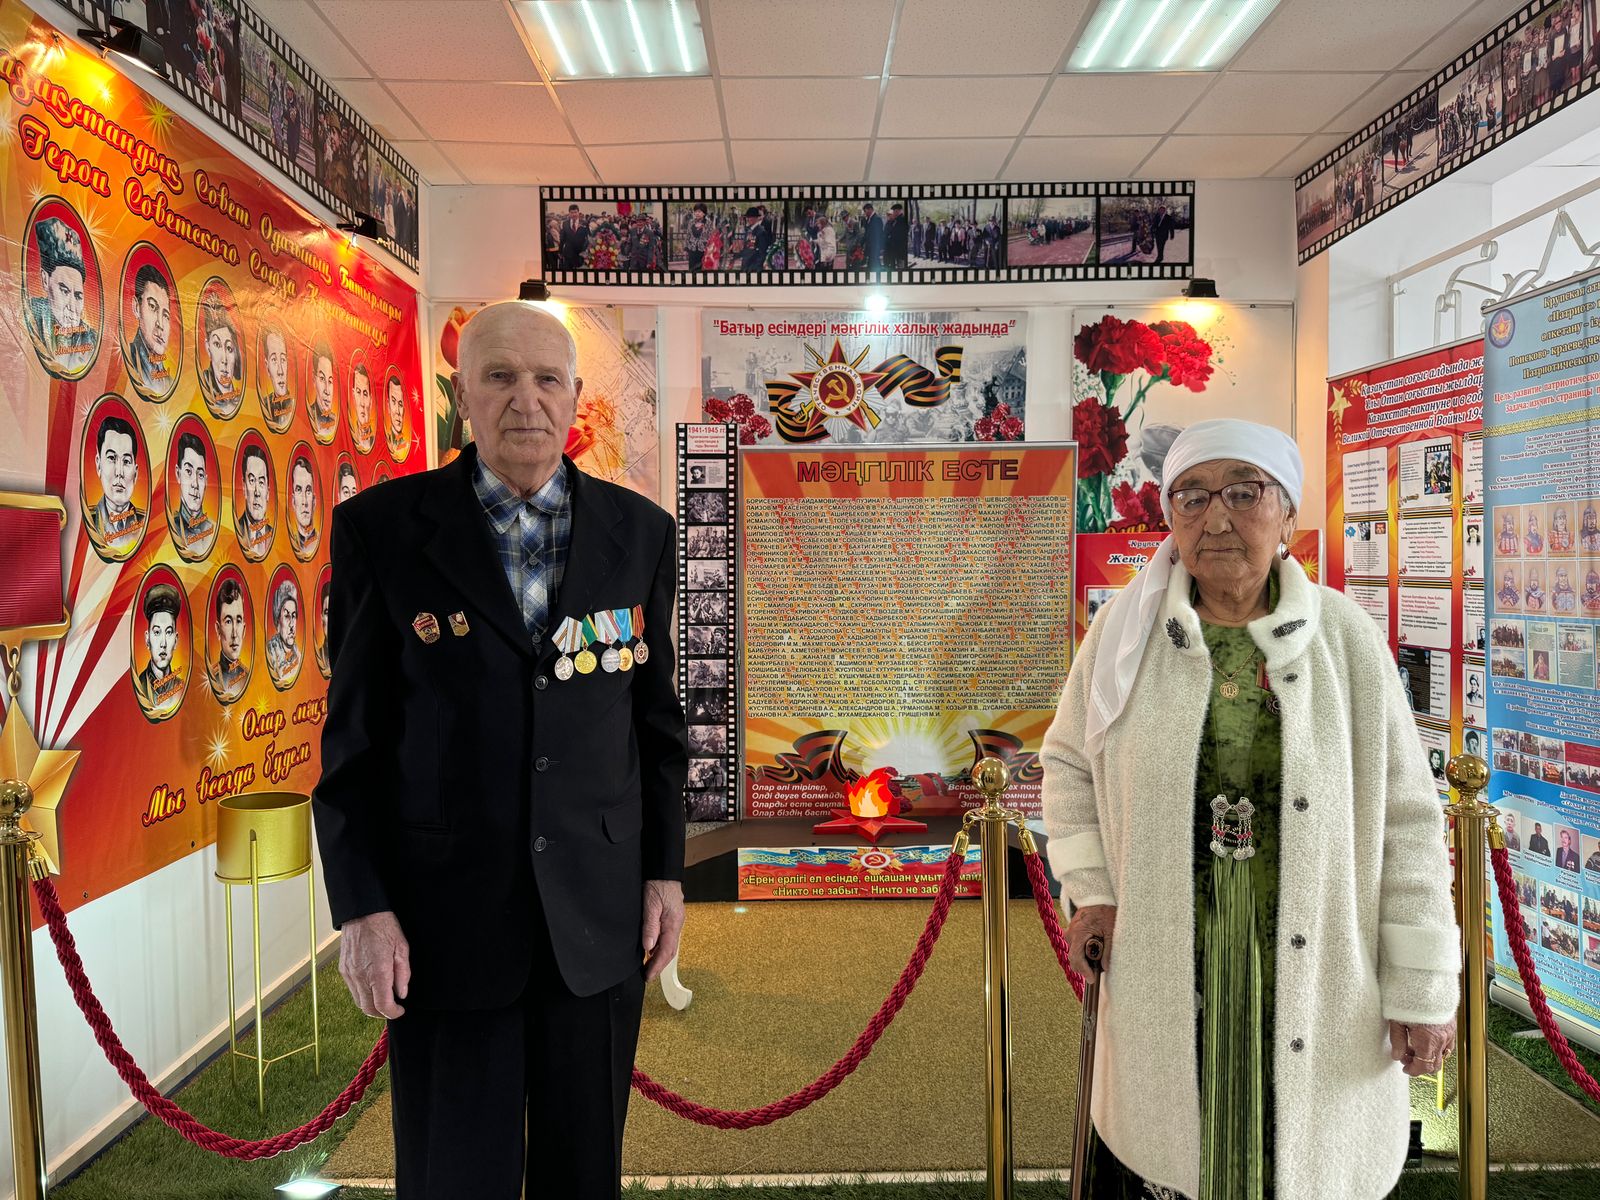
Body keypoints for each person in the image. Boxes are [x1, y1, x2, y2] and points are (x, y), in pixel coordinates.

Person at [313, 301, 688, 1199]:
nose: (527, 399)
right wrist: (363, 909)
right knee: (452, 1179)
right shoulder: (383, 531)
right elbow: (353, 744)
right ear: (462, 395)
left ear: (576, 396)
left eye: (547, 378)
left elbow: (656, 727)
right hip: (444, 930)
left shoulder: (640, 535)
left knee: (583, 1178)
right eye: (500, 377)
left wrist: (665, 874)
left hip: (595, 927)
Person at [1042, 418, 1457, 1200]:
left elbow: (1409, 819)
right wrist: (1091, 889)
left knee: (1301, 1165)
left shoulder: (1346, 640)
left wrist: (1423, 987)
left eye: (1243, 492)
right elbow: (1066, 765)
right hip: (1172, 966)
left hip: (1318, 976)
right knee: (1175, 1157)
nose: (1216, 518)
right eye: (1192, 496)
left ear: (1288, 513)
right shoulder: (1125, 637)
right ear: (1171, 518)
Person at [27, 215, 98, 375]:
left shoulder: (91, 338)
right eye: (64, 291)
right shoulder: (29, 316)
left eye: (78, 296)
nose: (72, 307)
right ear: (45, 280)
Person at [85, 414, 145, 559]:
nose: (119, 472)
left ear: (136, 473)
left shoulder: (144, 522)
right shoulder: (89, 522)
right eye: (112, 458)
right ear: (98, 465)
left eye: (126, 461)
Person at [133, 582, 185, 718]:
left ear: (176, 640)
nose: (163, 643)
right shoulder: (139, 687)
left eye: (168, 632)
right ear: (147, 639)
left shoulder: (181, 687)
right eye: (157, 632)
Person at [126, 263, 174, 396]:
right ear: (136, 307)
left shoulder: (169, 383)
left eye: (165, 315)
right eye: (152, 306)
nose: (160, 324)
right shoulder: (127, 361)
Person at [170, 431, 215, 555]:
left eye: (200, 475)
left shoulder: (213, 529)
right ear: (178, 474)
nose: (195, 484)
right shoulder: (172, 527)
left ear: (206, 481)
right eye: (188, 471)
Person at [200, 295, 243, 418]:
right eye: (217, 345)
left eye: (229, 348)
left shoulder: (239, 399)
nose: (224, 360)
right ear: (208, 348)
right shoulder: (202, 391)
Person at [208, 576, 249, 703]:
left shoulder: (248, 674)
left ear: (244, 629)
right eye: (228, 621)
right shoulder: (212, 678)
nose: (234, 633)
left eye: (238, 620)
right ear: (218, 629)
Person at [236, 445, 275, 561]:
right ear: (244, 487)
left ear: (268, 492)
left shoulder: (274, 535)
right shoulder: (236, 532)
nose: (257, 492)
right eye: (252, 481)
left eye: (261, 482)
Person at [265, 577, 301, 688]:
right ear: (277, 621)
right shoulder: (271, 652)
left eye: (294, 616)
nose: (292, 624)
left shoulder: (297, 652)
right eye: (287, 616)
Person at [262, 326, 295, 431]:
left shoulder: (295, 405)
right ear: (267, 366)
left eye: (283, 359)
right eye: (274, 360)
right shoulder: (263, 407)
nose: (280, 371)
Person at [288, 454, 320, 560]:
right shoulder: (289, 545)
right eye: (298, 490)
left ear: (314, 501)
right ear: (293, 501)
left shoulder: (321, 541)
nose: (304, 501)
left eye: (308, 490)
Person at [310, 347, 338, 443]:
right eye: (322, 378)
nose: (327, 391)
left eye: (330, 381)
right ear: (314, 379)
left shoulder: (335, 421)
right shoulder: (309, 417)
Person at [350, 363, 376, 453]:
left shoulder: (375, 441)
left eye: (365, 394)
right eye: (358, 392)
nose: (362, 403)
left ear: (371, 400)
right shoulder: (350, 438)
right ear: (353, 396)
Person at [738, 207, 771, 272]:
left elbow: (762, 252)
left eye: (750, 217)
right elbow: (746, 248)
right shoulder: (748, 230)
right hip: (745, 265)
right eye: (747, 217)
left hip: (754, 267)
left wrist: (756, 267)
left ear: (756, 218)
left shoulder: (761, 232)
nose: (748, 219)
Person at [385, 372, 409, 458]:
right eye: (394, 402)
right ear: (388, 406)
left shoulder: (406, 443)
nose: (398, 411)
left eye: (400, 404)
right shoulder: (387, 441)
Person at [559, 204, 589, 270]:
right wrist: (560, 251)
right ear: (569, 213)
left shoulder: (584, 223)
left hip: (580, 254)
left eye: (575, 212)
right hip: (568, 253)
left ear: (578, 212)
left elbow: (588, 238)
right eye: (572, 212)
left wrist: (585, 251)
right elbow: (562, 238)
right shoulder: (565, 223)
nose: (574, 214)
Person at [886, 203, 909, 270]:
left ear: (898, 211)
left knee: (901, 267)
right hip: (893, 248)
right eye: (893, 211)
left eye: (894, 211)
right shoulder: (895, 220)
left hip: (900, 248)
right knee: (894, 266)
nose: (893, 213)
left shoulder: (903, 220)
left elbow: (902, 235)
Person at [863, 203, 885, 269]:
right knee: (872, 265)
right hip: (870, 247)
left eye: (865, 211)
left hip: (875, 248)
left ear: (870, 209)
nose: (865, 213)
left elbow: (880, 234)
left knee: (875, 265)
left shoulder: (877, 219)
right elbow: (866, 234)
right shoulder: (868, 219)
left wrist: (881, 247)